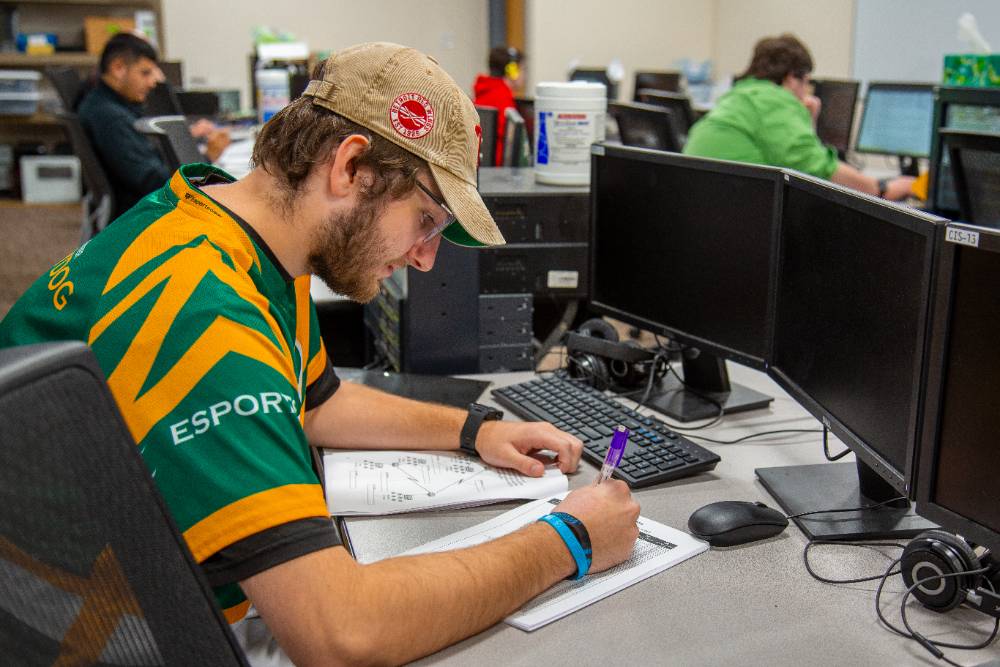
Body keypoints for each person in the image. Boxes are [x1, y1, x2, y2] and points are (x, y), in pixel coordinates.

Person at [0, 42, 639, 665]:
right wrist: (571, 540)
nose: (426, 256)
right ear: (350, 167)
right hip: (93, 629)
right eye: (427, 219)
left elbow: (317, 403)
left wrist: (479, 431)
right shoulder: (206, 316)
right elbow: (341, 634)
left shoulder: (235, 228)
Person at [683, 34, 914, 201]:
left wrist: (807, 122)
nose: (806, 92)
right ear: (793, 78)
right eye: (806, 83)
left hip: (701, 203)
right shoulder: (775, 101)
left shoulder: (740, 96)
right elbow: (819, 169)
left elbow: (799, 159)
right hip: (734, 211)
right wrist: (883, 189)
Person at [77, 32, 231, 218]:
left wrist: (185, 136)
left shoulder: (105, 104)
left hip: (138, 207)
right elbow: (155, 183)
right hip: (144, 215)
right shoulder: (111, 118)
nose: (153, 82)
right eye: (145, 73)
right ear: (118, 68)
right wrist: (207, 157)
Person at [473, 45, 523, 165]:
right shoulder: (502, 98)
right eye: (523, 69)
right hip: (495, 173)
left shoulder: (486, 91)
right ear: (513, 71)